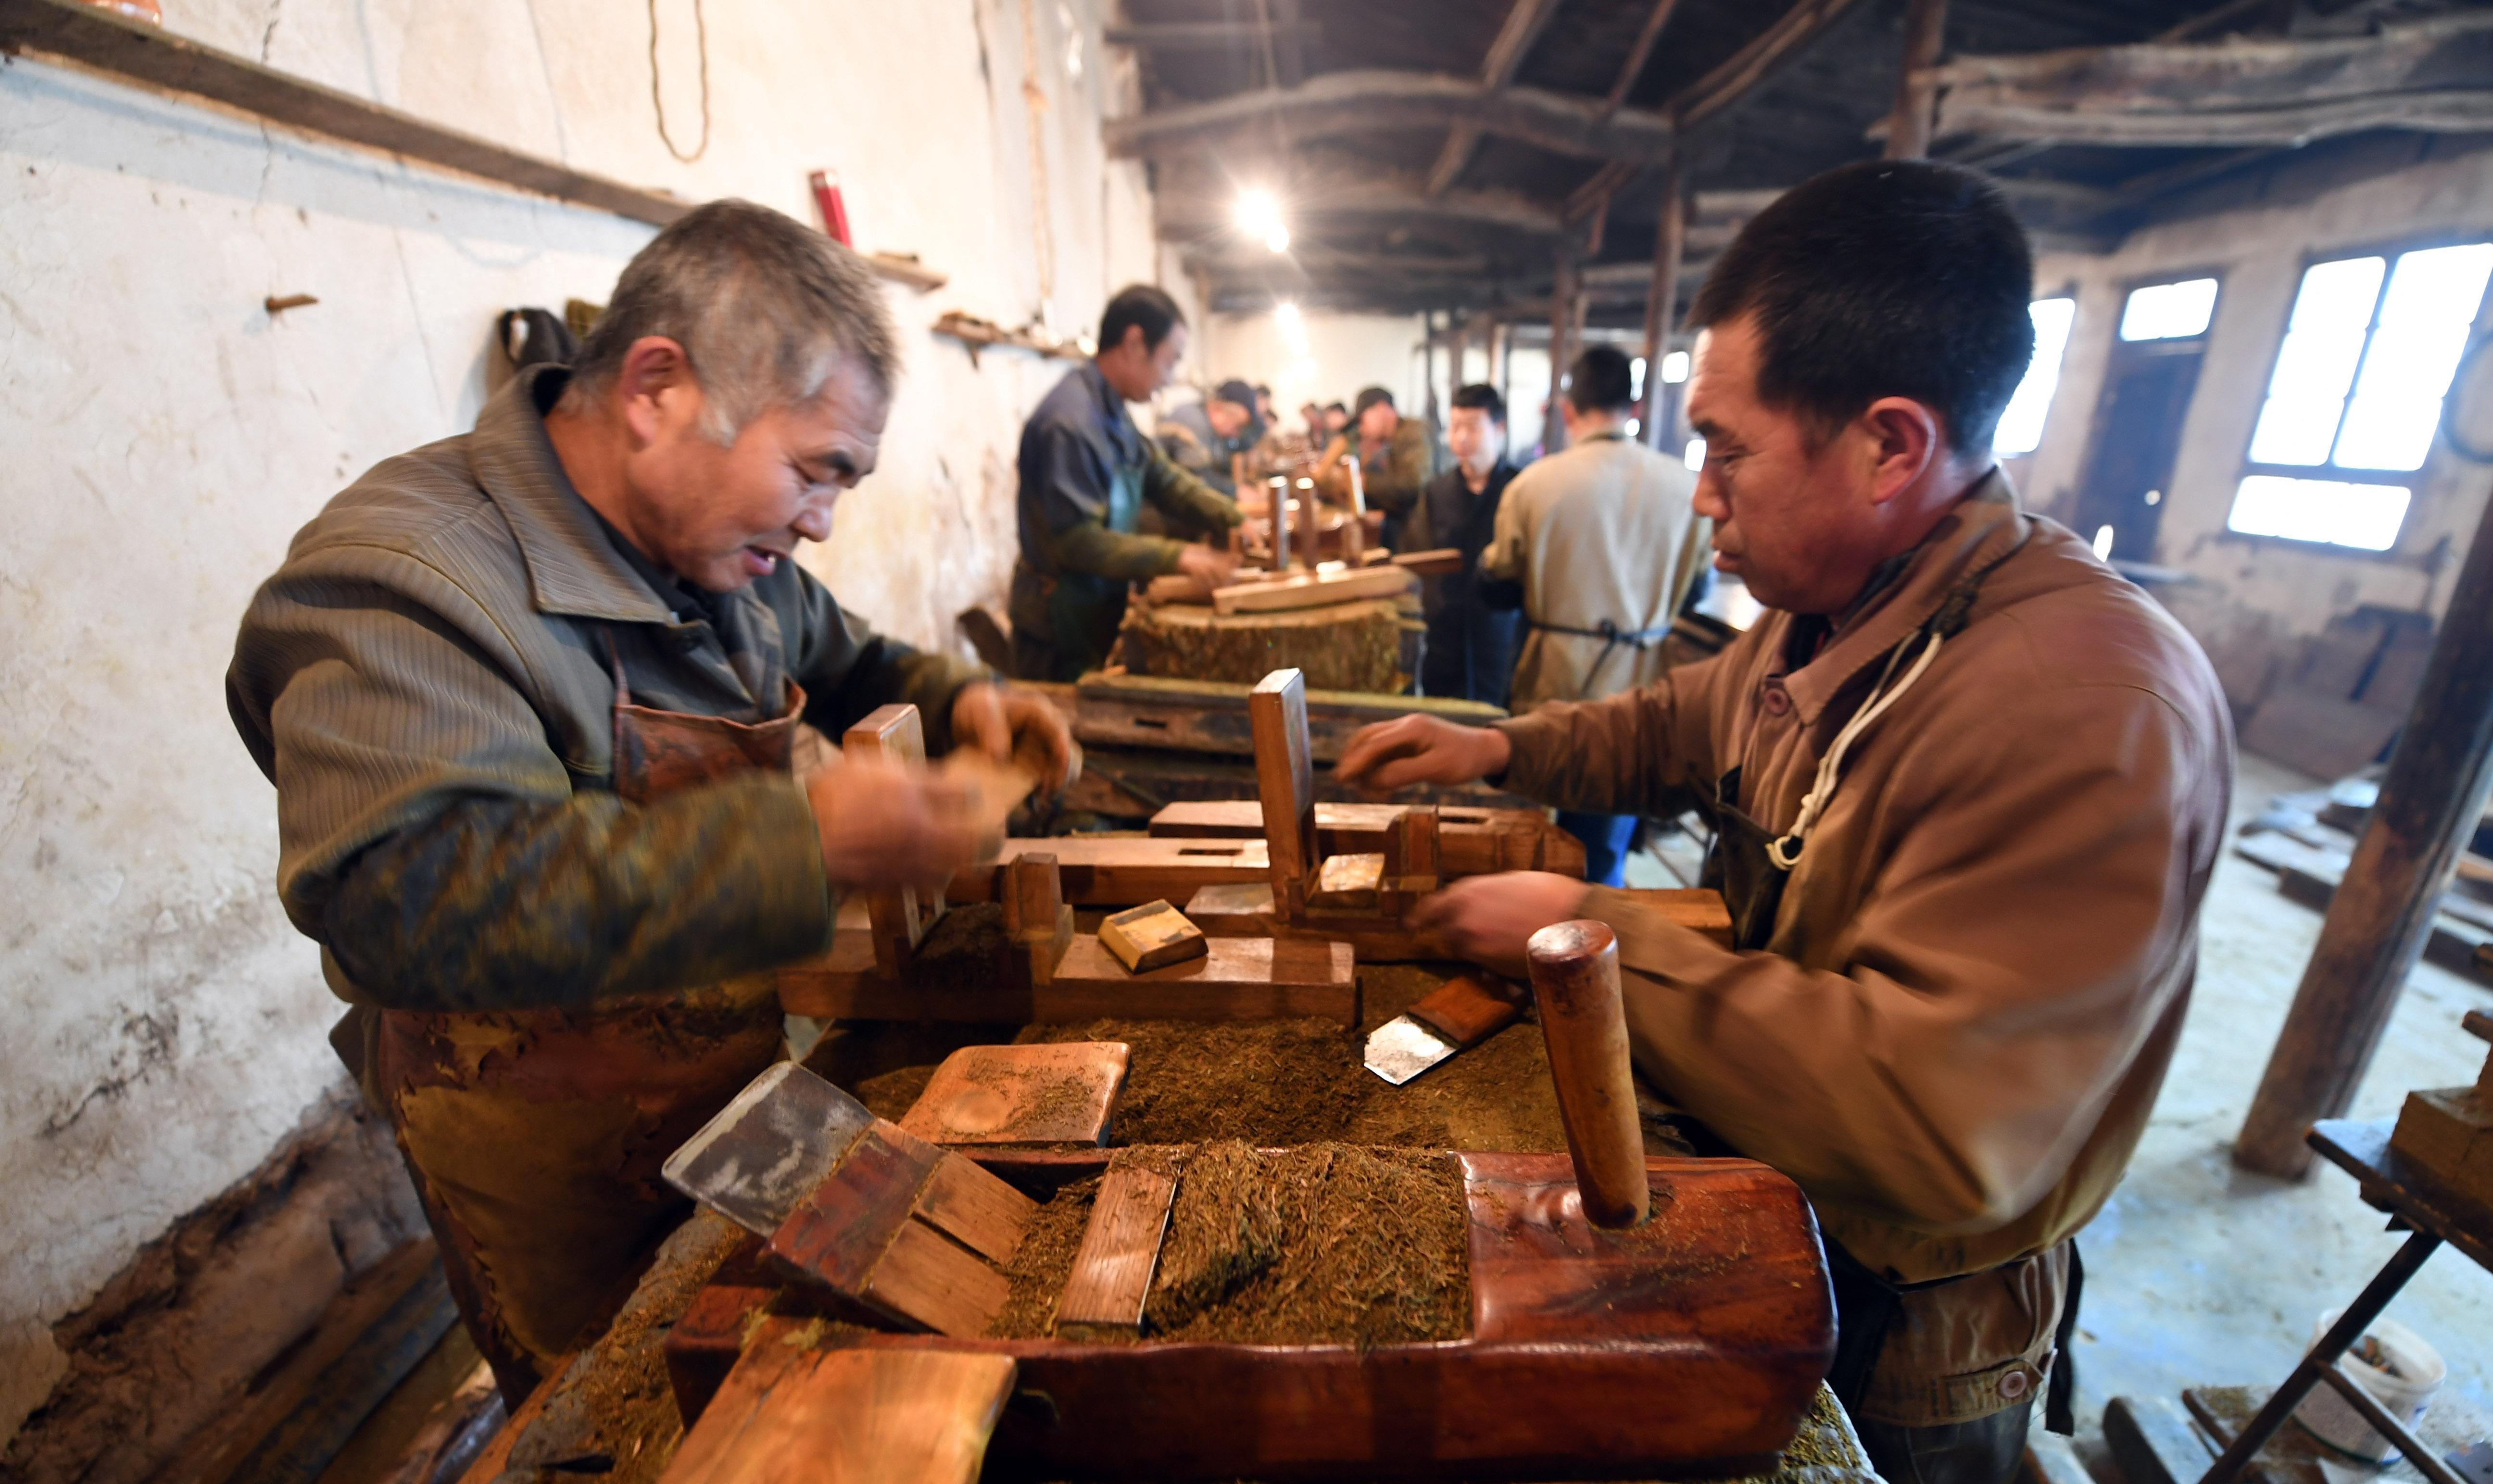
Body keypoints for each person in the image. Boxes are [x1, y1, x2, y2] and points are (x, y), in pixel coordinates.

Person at [1334, 161, 2232, 1484]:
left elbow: (1934, 1122)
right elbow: (1676, 723)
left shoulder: (2085, 703)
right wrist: (1502, 743)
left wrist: (1593, 932)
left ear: (1890, 444)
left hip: (1908, 1315)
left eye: (1727, 449)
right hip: (1781, 1195)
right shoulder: (1844, 608)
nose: (1703, 493)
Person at [225, 200, 1081, 1404]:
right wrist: (805, 839)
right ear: (657, 389)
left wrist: (958, 696)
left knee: (779, 1373)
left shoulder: (719, 557)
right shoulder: (400, 580)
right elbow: (414, 894)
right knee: (618, 1412)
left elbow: (844, 654)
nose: (823, 518)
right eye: (812, 470)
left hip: (734, 1080)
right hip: (549, 1158)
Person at [1480, 344, 1704, 885]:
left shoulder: (1535, 484)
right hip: (1640, 687)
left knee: (1532, 829)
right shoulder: (1687, 487)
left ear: (1567, 408)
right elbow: (1697, 589)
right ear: (1637, 407)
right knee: (1605, 841)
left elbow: (1498, 583)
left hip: (1552, 675)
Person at [1008, 286, 1243, 680]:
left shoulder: (1112, 409)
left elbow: (1160, 475)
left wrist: (1230, 516)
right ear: (1135, 343)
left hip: (1096, 605)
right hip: (1058, 623)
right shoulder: (1070, 422)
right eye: (1171, 361)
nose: (1169, 379)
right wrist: (1180, 557)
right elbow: (1077, 541)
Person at [1410, 383, 1523, 704]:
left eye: (1472, 428)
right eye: (1455, 427)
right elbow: (1420, 562)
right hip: (1446, 644)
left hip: (1502, 639)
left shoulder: (1519, 489)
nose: (1460, 438)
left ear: (1499, 429)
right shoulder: (1437, 492)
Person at [1316, 386, 1435, 549]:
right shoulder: (1392, 440)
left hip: (1422, 536)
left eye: (1363, 421)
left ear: (1382, 409)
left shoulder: (1413, 431)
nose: (1362, 429)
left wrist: (1364, 482)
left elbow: (1413, 483)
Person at [1156, 377, 1262, 496]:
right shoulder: (1193, 421)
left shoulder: (1208, 428)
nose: (1236, 434)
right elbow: (1195, 475)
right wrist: (1235, 491)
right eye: (1238, 426)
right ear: (1218, 411)